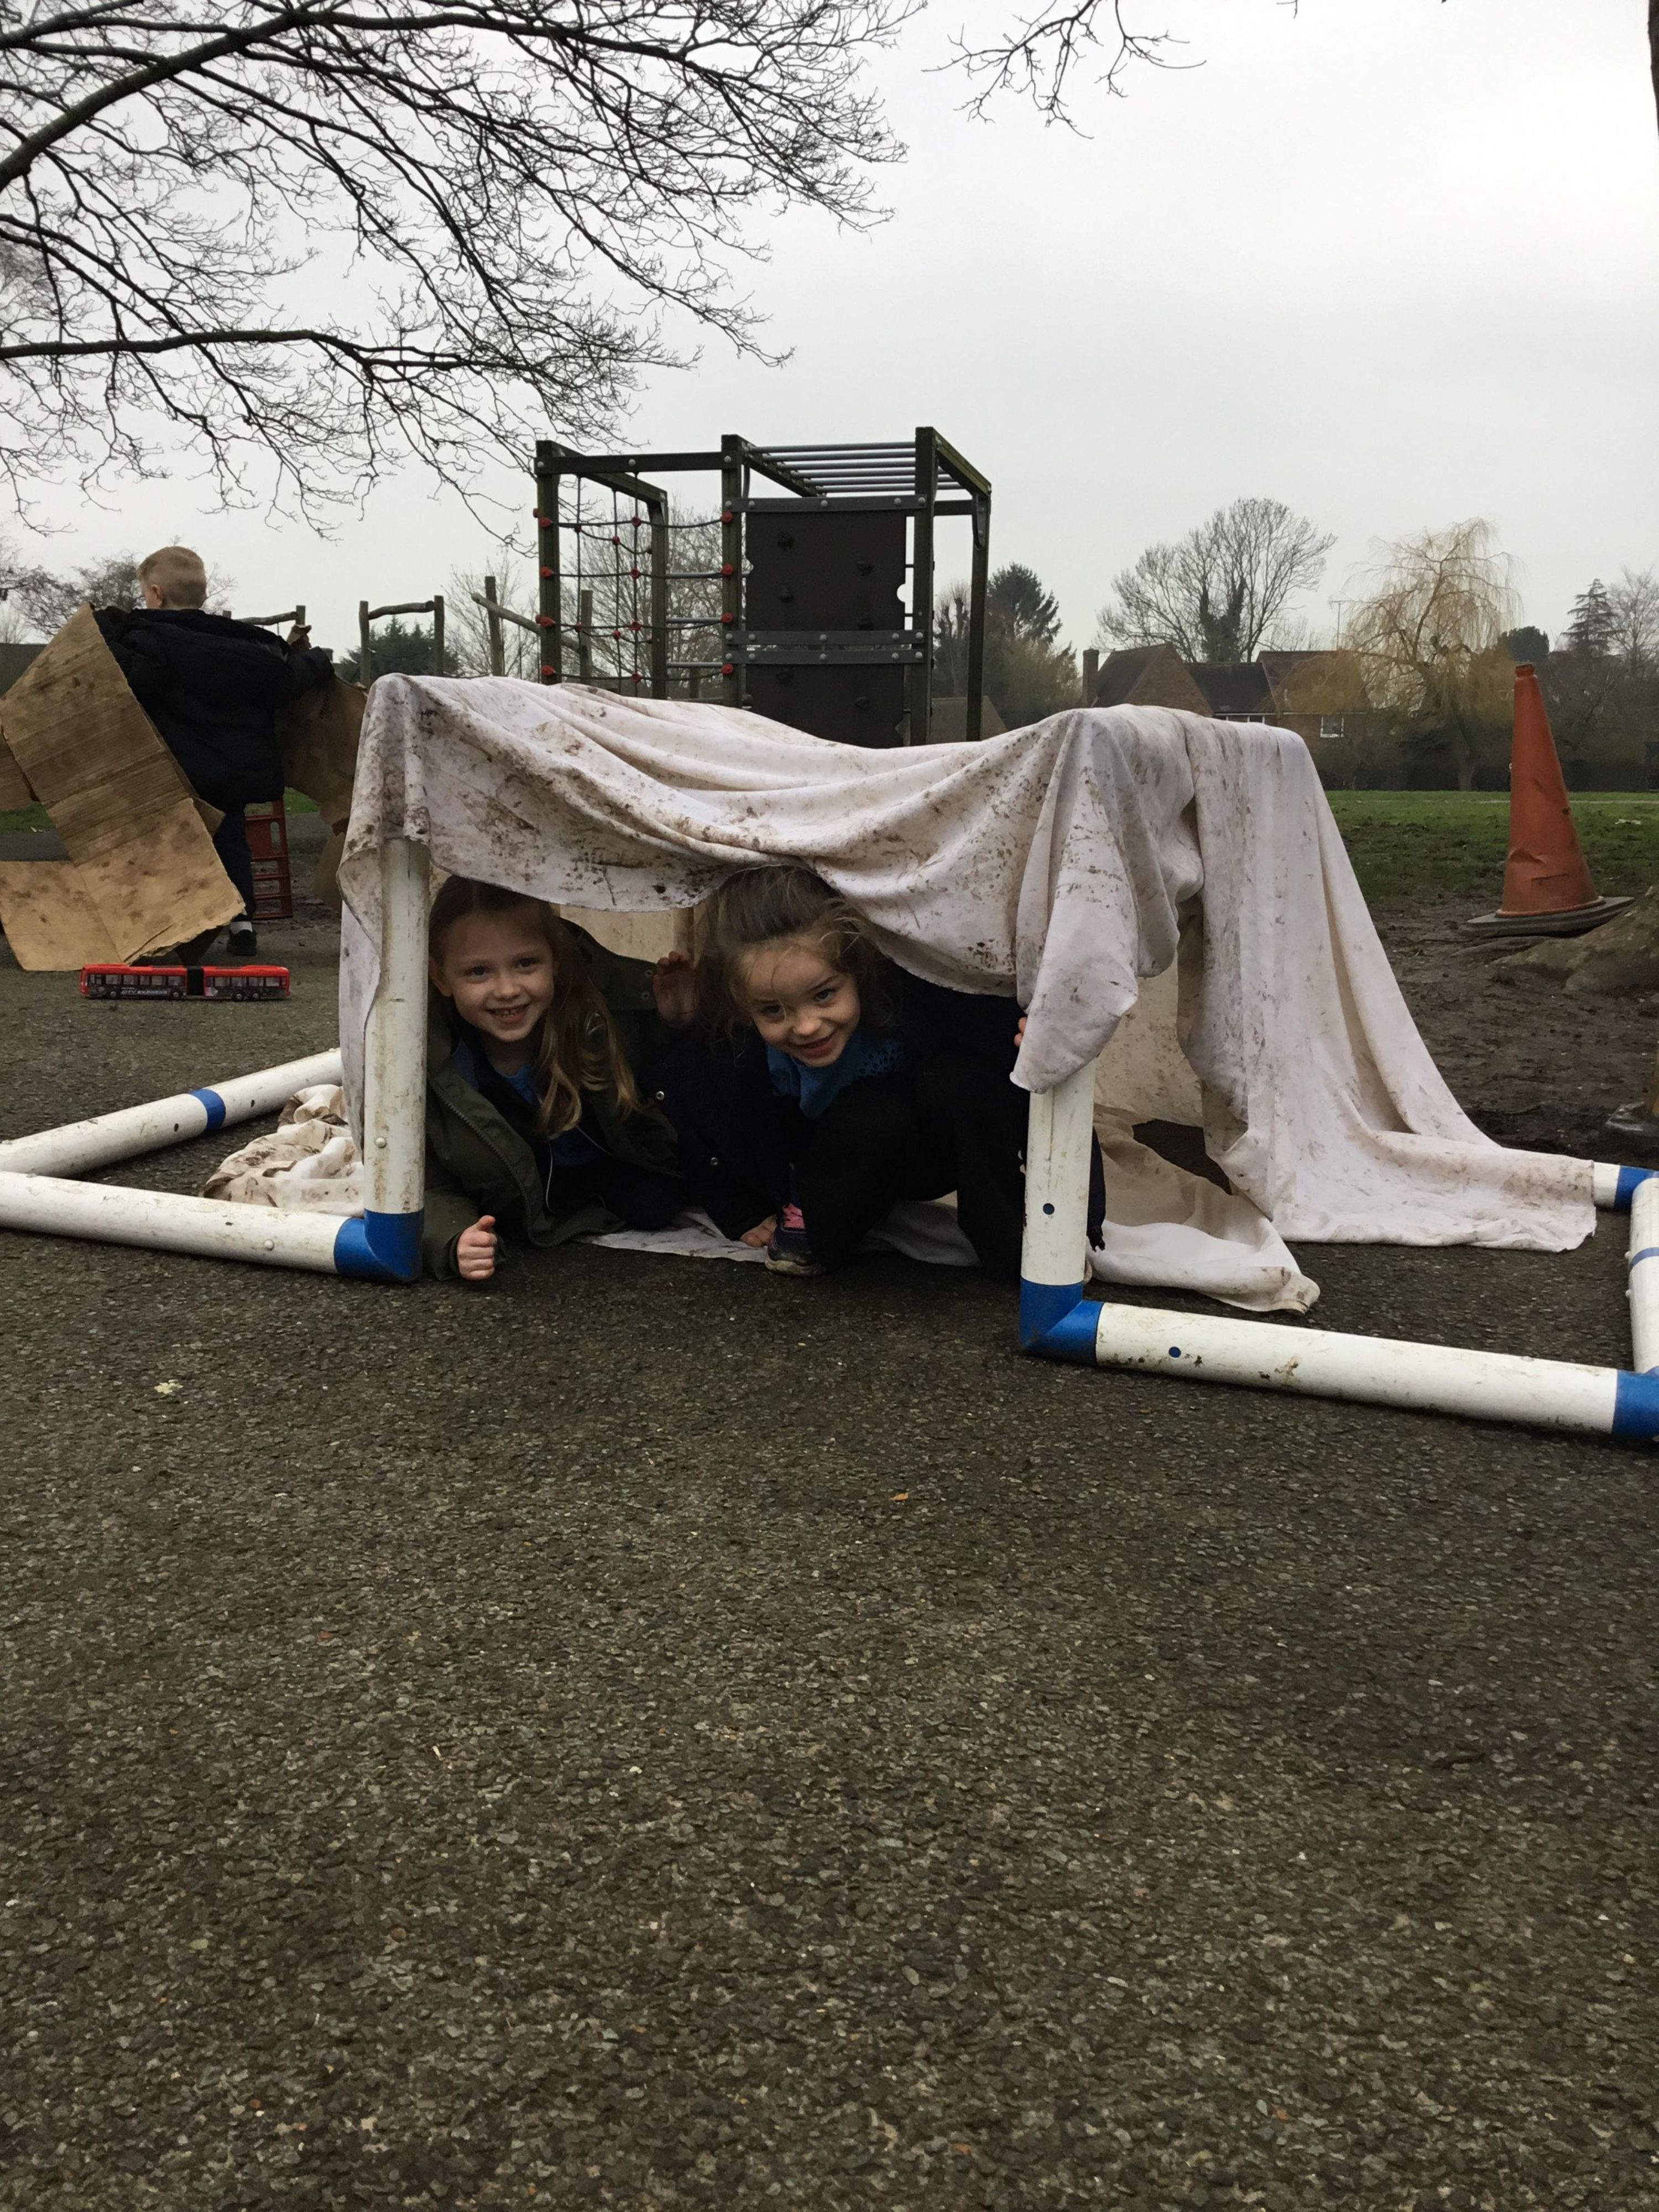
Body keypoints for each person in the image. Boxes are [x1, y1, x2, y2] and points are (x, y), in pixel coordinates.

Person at [648, 864, 1091, 1279]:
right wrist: (739, 1209)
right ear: (744, 1008)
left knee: (961, 1080)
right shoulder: (741, 1054)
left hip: (930, 1146)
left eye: (824, 995)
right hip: (835, 1164)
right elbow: (693, 1112)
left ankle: (1009, 1241)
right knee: (872, 1117)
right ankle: (810, 1221)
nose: (806, 1026)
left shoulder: (915, 999)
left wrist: (1030, 1038)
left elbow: (1007, 1060)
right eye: (774, 1010)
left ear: (858, 971)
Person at [424, 876, 684, 1283]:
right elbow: (424, 1183)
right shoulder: (430, 1061)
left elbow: (687, 1091)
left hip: (604, 1186)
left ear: (556, 960)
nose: (507, 990)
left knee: (654, 1202)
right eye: (478, 971)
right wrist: (454, 1237)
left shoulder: (600, 1018)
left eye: (526, 964)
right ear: (440, 978)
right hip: (510, 1206)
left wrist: (682, 1021)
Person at [95, 545, 335, 961]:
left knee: (171, 846)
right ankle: (242, 922)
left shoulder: (146, 641)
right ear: (203, 596)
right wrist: (317, 662)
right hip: (235, 773)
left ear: (156, 595)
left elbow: (135, 679)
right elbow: (285, 682)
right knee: (231, 839)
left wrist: (100, 629)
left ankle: (171, 925)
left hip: (175, 771)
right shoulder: (246, 646)